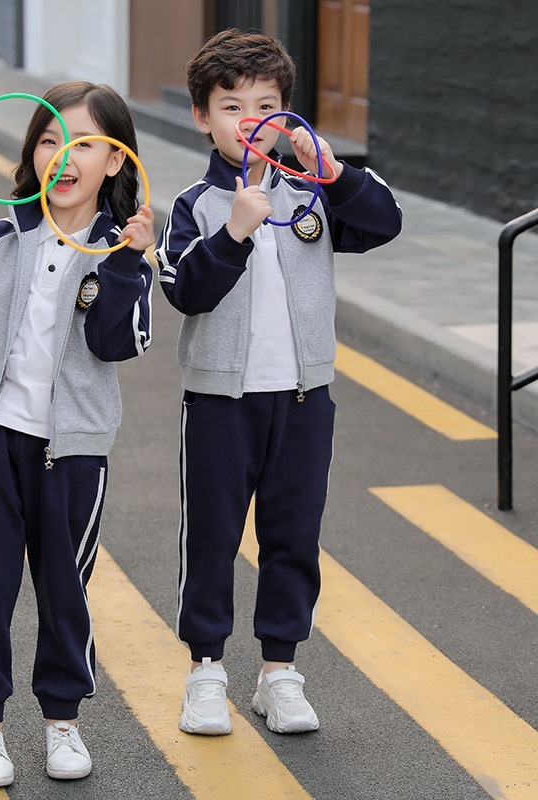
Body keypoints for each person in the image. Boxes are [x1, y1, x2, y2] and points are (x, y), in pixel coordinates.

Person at [0, 81, 154, 786]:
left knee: (64, 587)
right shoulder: (3, 237)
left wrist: (131, 262)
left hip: (71, 454)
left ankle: (62, 721)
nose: (64, 156)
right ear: (31, 154)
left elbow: (114, 341)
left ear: (117, 163)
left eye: (86, 144)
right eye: (49, 140)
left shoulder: (122, 251)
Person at [155, 29, 402, 737]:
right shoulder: (196, 204)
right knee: (212, 536)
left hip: (303, 399)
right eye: (232, 106)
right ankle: (205, 670)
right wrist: (233, 231)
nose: (250, 120)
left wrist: (333, 170)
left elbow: (384, 221)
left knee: (293, 534)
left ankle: (279, 673)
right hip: (219, 404)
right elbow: (185, 292)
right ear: (203, 117)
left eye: (266, 105)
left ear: (287, 115)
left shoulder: (314, 194)